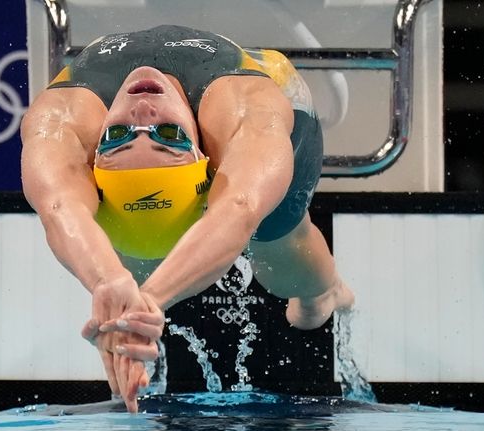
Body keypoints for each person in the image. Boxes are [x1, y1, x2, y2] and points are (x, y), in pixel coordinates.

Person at [20, 25, 354, 413]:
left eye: (117, 135)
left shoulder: (61, 119)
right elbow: (241, 205)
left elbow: (60, 207)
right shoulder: (246, 108)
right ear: (202, 154)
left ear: (92, 160)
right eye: (169, 134)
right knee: (281, 243)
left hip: (258, 131)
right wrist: (129, 293)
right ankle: (322, 290)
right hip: (270, 125)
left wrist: (125, 294)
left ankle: (320, 291)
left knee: (258, 243)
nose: (141, 110)